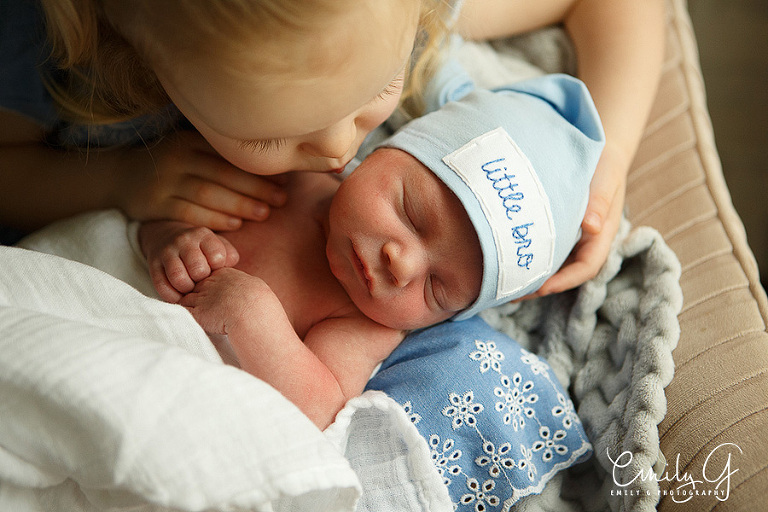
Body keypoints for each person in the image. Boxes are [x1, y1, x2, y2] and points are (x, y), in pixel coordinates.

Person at [1, 0, 663, 295]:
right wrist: (118, 179)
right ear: (145, 58)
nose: (341, 151)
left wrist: (603, 166)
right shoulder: (50, 47)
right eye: (266, 136)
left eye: (380, 86)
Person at [139, 74, 605, 429]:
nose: (403, 265)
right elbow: (159, 202)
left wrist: (253, 317)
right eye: (411, 212)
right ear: (381, 153)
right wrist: (168, 237)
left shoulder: (362, 323)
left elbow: (319, 410)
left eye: (438, 289)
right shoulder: (292, 164)